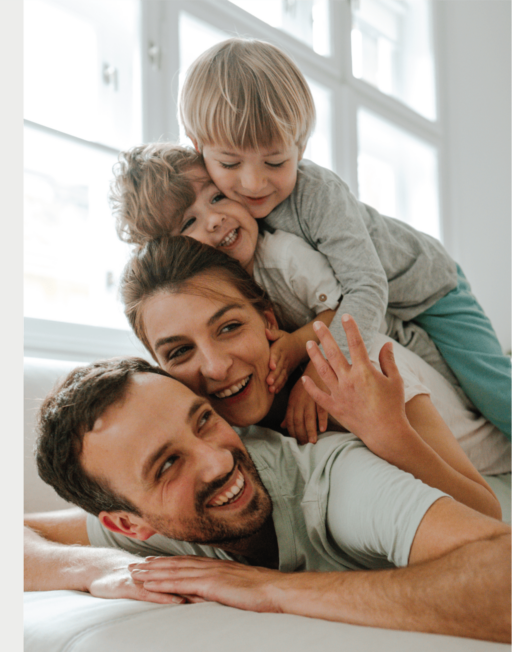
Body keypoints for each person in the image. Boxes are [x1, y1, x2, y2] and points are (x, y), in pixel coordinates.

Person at [26, 348, 512, 642]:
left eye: (204, 420)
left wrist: (269, 588)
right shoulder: (147, 540)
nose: (217, 461)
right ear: (129, 526)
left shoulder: (332, 480)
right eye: (168, 464)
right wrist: (104, 570)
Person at [177, 37, 512, 441]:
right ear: (198, 148)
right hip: (385, 313)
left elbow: (367, 286)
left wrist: (320, 371)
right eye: (229, 163)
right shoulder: (225, 212)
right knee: (457, 398)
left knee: (494, 396)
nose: (253, 182)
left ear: (300, 148)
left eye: (276, 161)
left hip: (432, 289)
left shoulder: (318, 193)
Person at [117, 236, 512, 518]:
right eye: (180, 351)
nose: (216, 367)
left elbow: (484, 510)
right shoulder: (214, 436)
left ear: (268, 320)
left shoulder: (358, 366)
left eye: (229, 328)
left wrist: (388, 433)